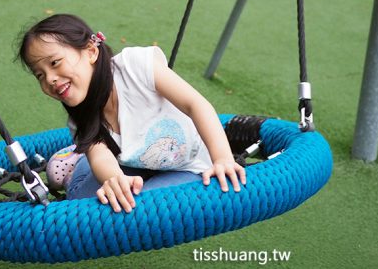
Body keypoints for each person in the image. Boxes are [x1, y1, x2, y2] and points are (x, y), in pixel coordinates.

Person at [18, 14, 246, 212]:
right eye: (40, 75)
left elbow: (195, 104)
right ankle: (78, 162)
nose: (50, 79)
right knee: (86, 201)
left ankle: (76, 159)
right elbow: (101, 156)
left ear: (90, 51)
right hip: (131, 161)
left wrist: (223, 159)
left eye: (55, 62)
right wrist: (114, 180)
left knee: (143, 207)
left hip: (187, 165)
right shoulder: (80, 116)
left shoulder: (135, 66)